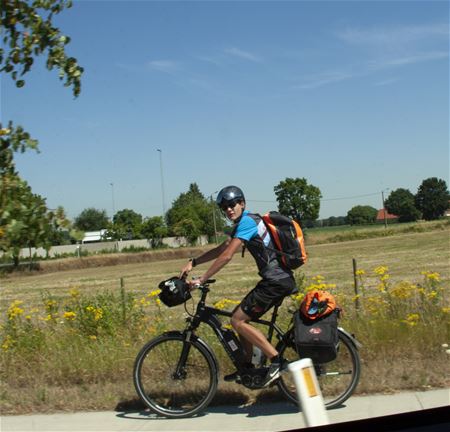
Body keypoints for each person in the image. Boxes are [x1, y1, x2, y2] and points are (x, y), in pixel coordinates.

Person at [180, 185, 297, 387]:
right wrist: (194, 262)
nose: (228, 209)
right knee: (239, 316)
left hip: (275, 281)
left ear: (242, 203)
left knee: (238, 321)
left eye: (232, 204)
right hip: (275, 280)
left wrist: (201, 279)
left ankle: (277, 361)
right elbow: (222, 248)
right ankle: (247, 368)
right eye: (224, 207)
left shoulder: (248, 222)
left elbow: (227, 256)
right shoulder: (243, 224)